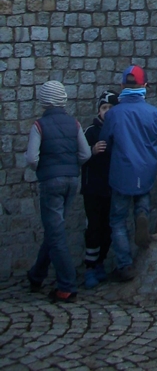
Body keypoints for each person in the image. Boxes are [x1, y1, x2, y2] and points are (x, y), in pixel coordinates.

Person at [99, 64, 157, 282]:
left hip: (121, 172)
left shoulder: (113, 114)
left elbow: (105, 141)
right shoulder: (155, 114)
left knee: (117, 220)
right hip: (145, 169)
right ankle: (142, 216)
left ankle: (125, 265)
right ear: (146, 86)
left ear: (122, 85)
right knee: (142, 201)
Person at [26, 80, 91, 302]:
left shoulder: (39, 125)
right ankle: (37, 275)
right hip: (72, 180)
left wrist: (43, 167)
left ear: (44, 101)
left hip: (50, 181)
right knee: (54, 230)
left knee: (56, 234)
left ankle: (67, 286)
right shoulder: (74, 124)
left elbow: (32, 158)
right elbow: (85, 154)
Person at [81, 90, 119, 288]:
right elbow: (80, 156)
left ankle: (100, 262)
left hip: (111, 187)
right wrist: (92, 151)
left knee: (109, 228)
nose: (107, 112)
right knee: (93, 227)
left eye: (111, 108)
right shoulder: (90, 132)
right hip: (93, 188)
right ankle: (90, 266)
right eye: (104, 108)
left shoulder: (119, 130)